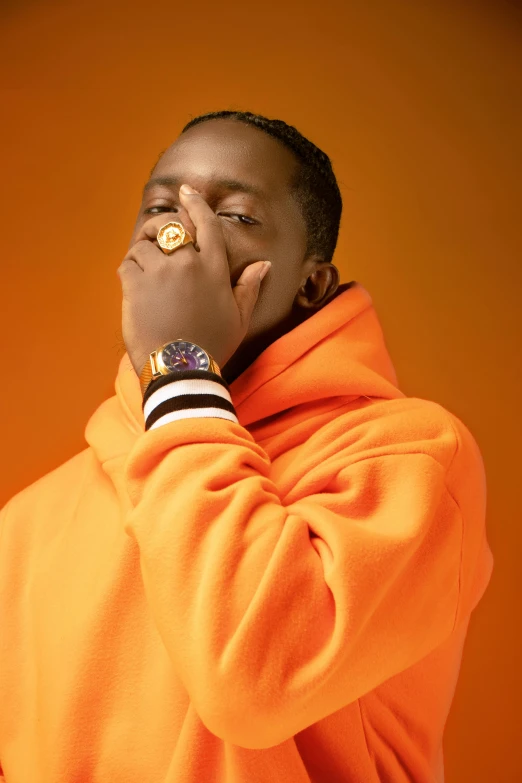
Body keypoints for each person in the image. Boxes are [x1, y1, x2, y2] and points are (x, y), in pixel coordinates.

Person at [0, 110, 493, 783]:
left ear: (310, 284)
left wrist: (179, 366)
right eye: (160, 206)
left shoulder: (413, 464)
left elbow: (254, 682)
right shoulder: (29, 520)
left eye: (233, 216)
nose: (181, 235)